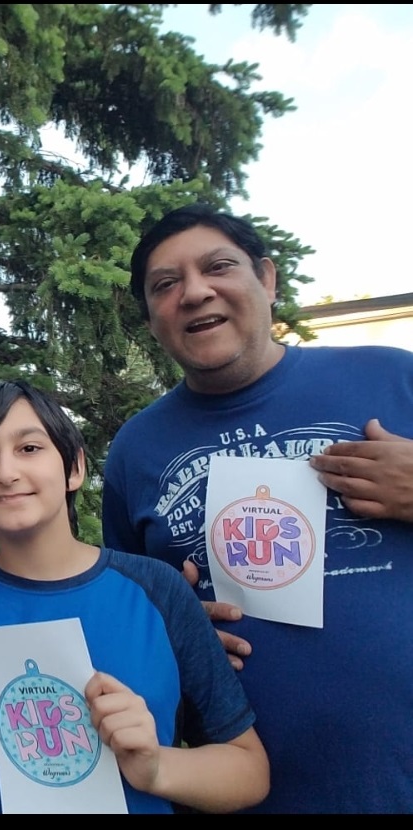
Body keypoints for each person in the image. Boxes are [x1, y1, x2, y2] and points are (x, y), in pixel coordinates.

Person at [101, 202, 413, 812]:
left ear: (267, 279)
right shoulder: (135, 451)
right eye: (165, 284)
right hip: (246, 795)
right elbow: (134, 616)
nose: (195, 292)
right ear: (152, 320)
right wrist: (171, 633)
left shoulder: (392, 378)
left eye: (218, 266)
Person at [0, 379, 268, 814]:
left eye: (29, 448)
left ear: (75, 467)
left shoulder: (158, 589)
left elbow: (248, 770)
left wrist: (156, 768)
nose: (6, 472)